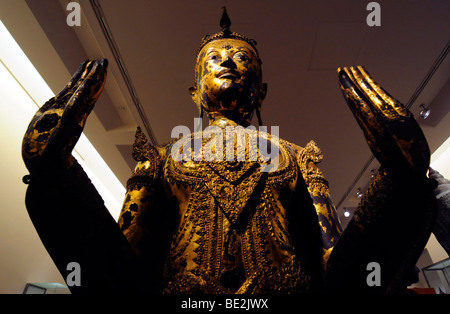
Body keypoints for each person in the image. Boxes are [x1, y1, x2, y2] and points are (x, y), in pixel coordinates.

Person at [21, 8, 436, 294]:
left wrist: (399, 177)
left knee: (410, 192)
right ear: (194, 92)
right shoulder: (163, 157)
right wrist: (56, 173)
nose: (230, 62)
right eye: (215, 59)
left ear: (262, 91)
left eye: (242, 58)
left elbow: (332, 257)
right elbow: (123, 263)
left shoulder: (295, 157)